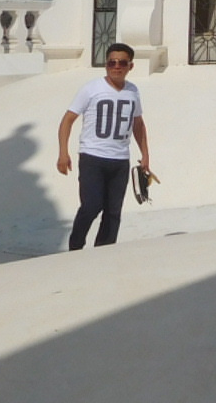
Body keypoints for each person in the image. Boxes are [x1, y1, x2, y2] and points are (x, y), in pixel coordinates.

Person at [56, 42, 151, 250]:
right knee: (91, 206)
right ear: (106, 64)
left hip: (120, 160)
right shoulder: (91, 89)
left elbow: (138, 124)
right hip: (92, 157)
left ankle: (104, 253)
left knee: (113, 212)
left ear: (130, 66)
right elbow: (67, 120)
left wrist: (145, 155)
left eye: (122, 63)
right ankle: (75, 247)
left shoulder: (133, 91)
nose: (116, 67)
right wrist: (63, 153)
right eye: (111, 62)